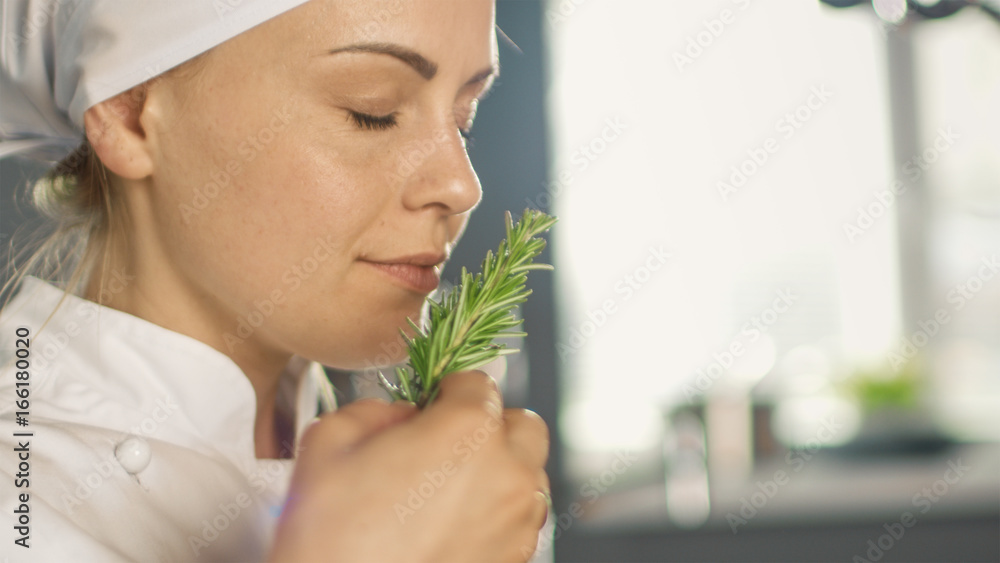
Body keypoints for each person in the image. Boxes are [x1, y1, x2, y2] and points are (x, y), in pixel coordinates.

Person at [0, 0, 552, 561]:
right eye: (373, 110)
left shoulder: (454, 484)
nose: (462, 186)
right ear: (130, 117)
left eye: (465, 120)